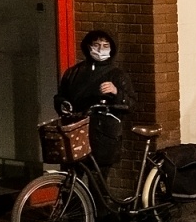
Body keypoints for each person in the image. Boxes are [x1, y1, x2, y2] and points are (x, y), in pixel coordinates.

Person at [56, 29, 137, 168]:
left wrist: (116, 92)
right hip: (76, 133)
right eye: (97, 45)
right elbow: (60, 96)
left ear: (111, 49)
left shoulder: (117, 75)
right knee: (72, 176)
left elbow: (131, 104)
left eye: (105, 46)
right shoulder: (73, 72)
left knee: (97, 180)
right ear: (89, 47)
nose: (100, 49)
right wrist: (62, 104)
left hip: (104, 136)